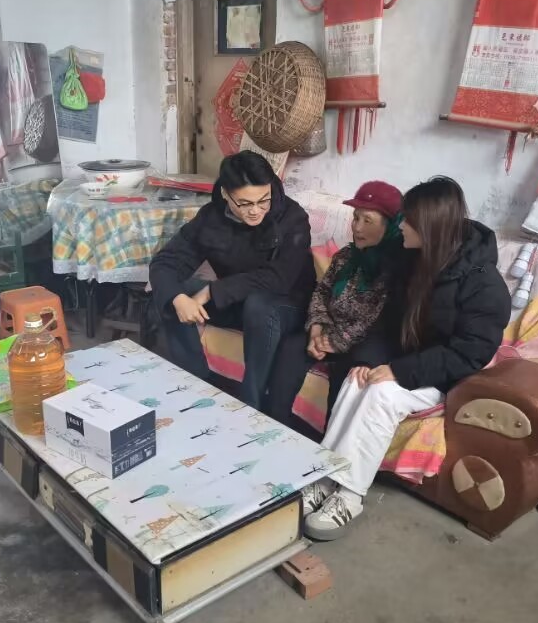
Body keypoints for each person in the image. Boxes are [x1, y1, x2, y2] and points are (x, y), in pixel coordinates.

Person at [302, 177, 512, 541]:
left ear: (429, 227)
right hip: (405, 362)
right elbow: (390, 323)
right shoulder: (413, 261)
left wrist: (399, 371)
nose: (401, 227)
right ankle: (325, 476)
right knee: (356, 378)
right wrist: (373, 361)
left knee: (381, 394)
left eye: (408, 221)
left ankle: (350, 494)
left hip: (443, 376)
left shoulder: (484, 285)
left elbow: (470, 353)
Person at [149, 151, 315, 410]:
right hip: (237, 300)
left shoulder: (293, 218)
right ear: (225, 194)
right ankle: (195, 383)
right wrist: (179, 299)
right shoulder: (211, 218)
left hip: (287, 308)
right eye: (245, 203)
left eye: (264, 200)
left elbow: (279, 279)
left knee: (259, 305)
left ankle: (251, 404)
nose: (256, 211)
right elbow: (165, 262)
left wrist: (211, 292)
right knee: (172, 294)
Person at [265, 181, 403, 432]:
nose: (357, 227)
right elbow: (322, 291)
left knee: (347, 371)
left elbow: (379, 318)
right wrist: (317, 330)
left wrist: (336, 341)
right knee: (292, 347)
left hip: (363, 344)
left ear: (391, 226)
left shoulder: (397, 268)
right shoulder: (346, 257)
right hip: (329, 331)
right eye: (356, 218)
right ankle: (274, 426)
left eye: (368, 221)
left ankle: (328, 444)